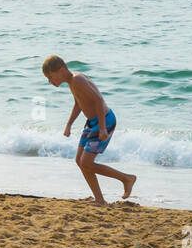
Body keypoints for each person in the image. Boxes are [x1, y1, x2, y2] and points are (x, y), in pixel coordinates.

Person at [43, 55, 137, 204]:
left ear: (61, 70)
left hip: (104, 120)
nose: (49, 81)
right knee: (80, 161)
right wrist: (69, 124)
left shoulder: (77, 80)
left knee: (86, 162)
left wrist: (102, 128)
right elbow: (79, 104)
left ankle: (127, 178)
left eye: (50, 76)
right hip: (92, 122)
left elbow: (98, 100)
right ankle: (99, 199)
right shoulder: (72, 82)